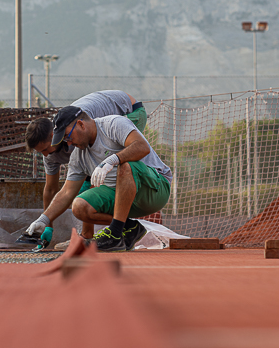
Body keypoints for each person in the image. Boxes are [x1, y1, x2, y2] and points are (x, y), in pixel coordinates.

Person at [24, 106, 172, 252]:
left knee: (125, 166)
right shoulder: (78, 156)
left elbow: (142, 147)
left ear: (81, 124)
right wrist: (44, 219)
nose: (68, 143)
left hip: (154, 189)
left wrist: (112, 159)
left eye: (68, 136)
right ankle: (129, 228)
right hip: (122, 199)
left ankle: (114, 235)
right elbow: (66, 192)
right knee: (79, 205)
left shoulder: (113, 124)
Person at [25, 90, 146, 211]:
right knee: (82, 197)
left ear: (52, 136)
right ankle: (112, 225)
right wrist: (46, 224)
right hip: (111, 117)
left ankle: (125, 222)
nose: (45, 155)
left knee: (113, 171)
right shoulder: (50, 155)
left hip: (130, 111)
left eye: (46, 149)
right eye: (40, 152)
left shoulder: (79, 123)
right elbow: (51, 190)